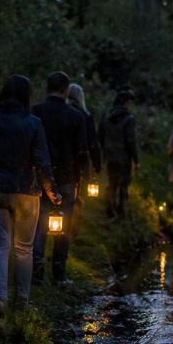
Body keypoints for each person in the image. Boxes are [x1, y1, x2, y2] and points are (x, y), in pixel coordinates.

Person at [0, 75, 62, 323]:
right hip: (26, 192)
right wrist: (52, 192)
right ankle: (22, 301)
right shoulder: (33, 123)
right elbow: (42, 162)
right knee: (24, 248)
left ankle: (0, 299)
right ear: (26, 96)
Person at [30, 72, 87, 283]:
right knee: (65, 226)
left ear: (47, 88)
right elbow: (82, 152)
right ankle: (58, 273)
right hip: (67, 179)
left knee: (40, 222)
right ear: (66, 90)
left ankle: (37, 264)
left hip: (39, 176)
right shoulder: (76, 116)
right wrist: (80, 179)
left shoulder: (35, 111)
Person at [67, 83, 101, 237]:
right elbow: (93, 142)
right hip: (81, 162)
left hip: (62, 160)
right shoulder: (85, 116)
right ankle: (73, 226)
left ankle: (65, 225)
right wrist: (96, 164)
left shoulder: (64, 112)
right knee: (77, 192)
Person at [99, 90, 139, 218]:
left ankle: (109, 207)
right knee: (123, 183)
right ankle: (121, 210)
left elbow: (100, 136)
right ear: (126, 102)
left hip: (109, 155)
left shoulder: (106, 116)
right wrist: (135, 159)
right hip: (124, 156)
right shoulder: (129, 119)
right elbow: (130, 140)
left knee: (112, 182)